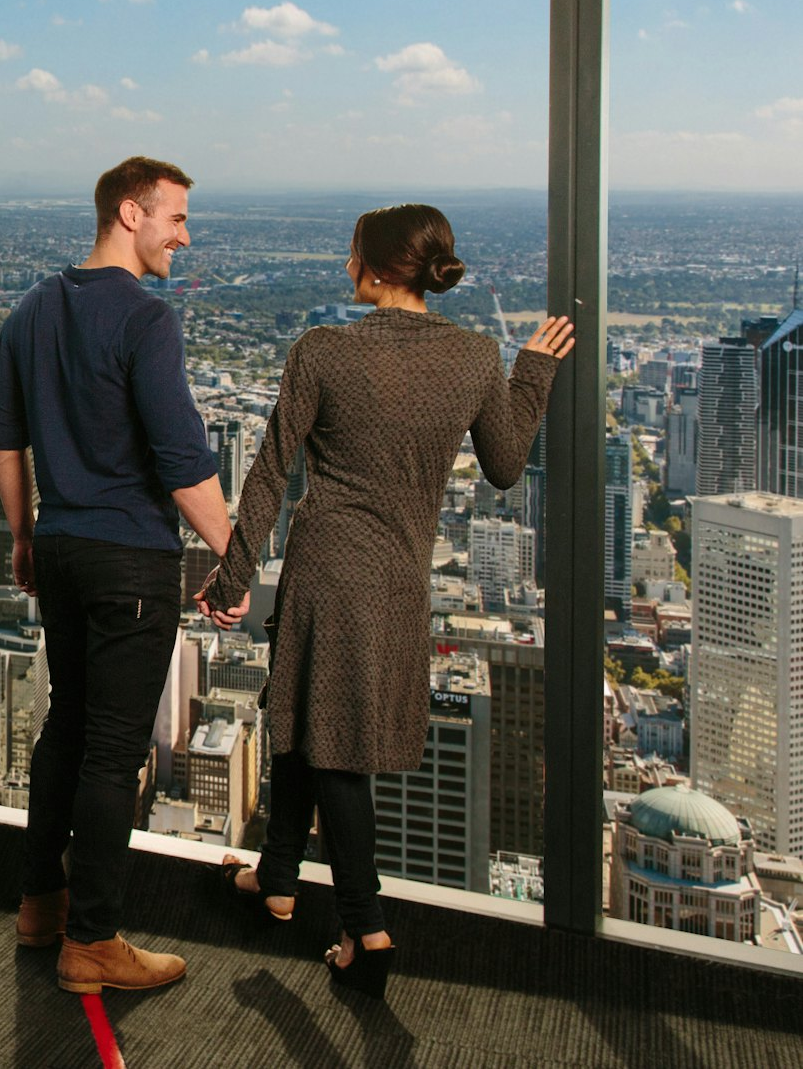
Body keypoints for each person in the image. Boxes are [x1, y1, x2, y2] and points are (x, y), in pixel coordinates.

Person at [196, 203, 573, 999]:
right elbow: (506, 466)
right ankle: (277, 881)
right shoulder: (473, 357)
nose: (345, 266)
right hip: (401, 576)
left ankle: (367, 930)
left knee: (332, 741)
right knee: (307, 714)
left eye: (351, 254)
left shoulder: (324, 350)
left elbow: (267, 474)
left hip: (328, 567)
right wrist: (531, 372)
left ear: (375, 265)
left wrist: (231, 580)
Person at [0, 155, 232, 995]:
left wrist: (25, 537)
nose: (184, 236)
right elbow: (184, 465)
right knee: (113, 750)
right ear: (131, 213)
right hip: (130, 556)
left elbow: (6, 444)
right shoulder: (145, 320)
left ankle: (39, 904)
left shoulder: (27, 312)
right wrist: (238, 558)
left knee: (66, 727)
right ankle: (93, 941)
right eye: (176, 218)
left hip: (57, 548)